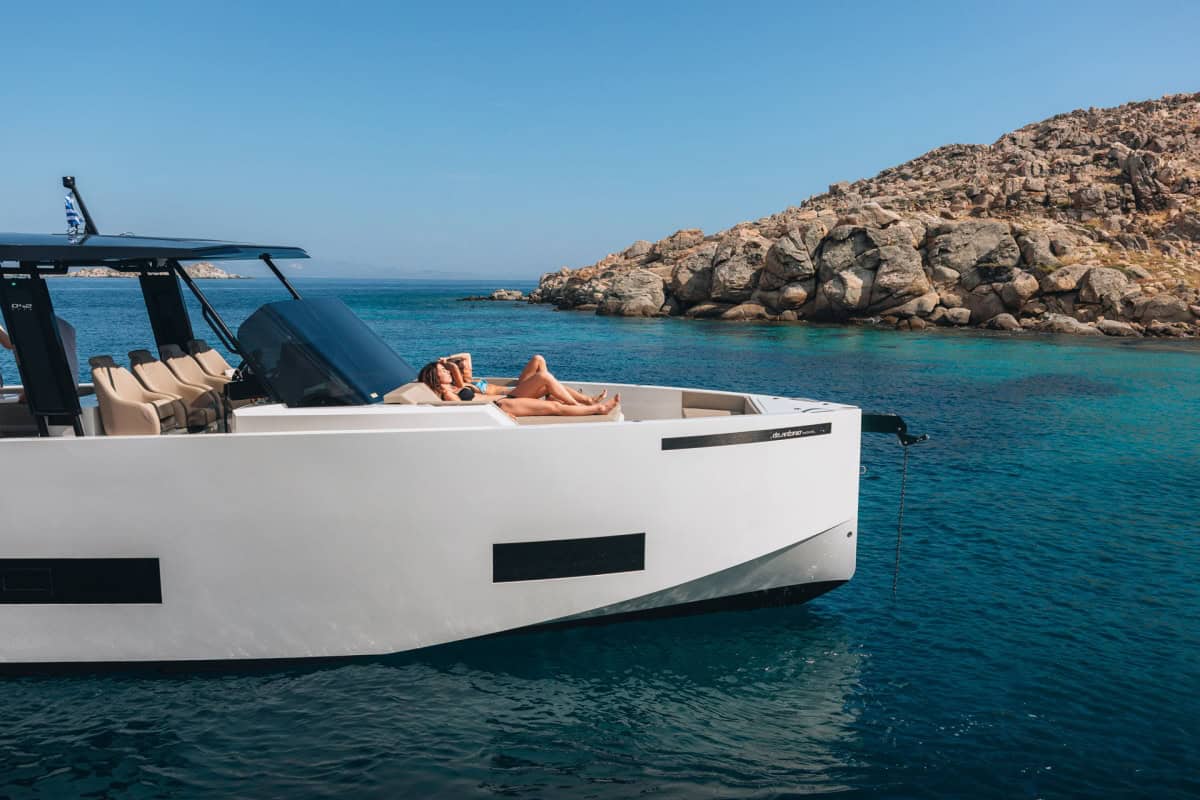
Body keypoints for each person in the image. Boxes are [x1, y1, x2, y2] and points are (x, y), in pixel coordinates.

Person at [417, 359, 619, 419]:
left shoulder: (454, 387)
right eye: (442, 370)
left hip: (502, 403)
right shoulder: (447, 393)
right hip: (499, 407)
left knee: (547, 386)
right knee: (553, 405)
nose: (447, 371)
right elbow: (462, 411)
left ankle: (588, 405)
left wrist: (450, 367)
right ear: (435, 377)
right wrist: (500, 415)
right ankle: (595, 408)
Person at [439, 352, 605, 405]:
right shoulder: (462, 385)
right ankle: (581, 403)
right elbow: (456, 368)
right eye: (464, 368)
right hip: (513, 394)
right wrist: (448, 364)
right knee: (545, 379)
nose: (468, 368)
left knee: (538, 359)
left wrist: (448, 357)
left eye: (467, 368)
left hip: (518, 388)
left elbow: (467, 355)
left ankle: (585, 400)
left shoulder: (470, 379)